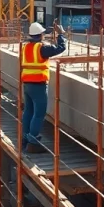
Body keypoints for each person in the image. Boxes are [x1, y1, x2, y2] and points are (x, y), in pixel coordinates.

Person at [20, 20, 66, 153]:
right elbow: (60, 48)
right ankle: (32, 141)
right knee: (39, 113)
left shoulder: (25, 47)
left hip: (27, 84)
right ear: (40, 35)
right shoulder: (41, 48)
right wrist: (61, 35)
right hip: (38, 84)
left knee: (28, 111)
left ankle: (25, 138)